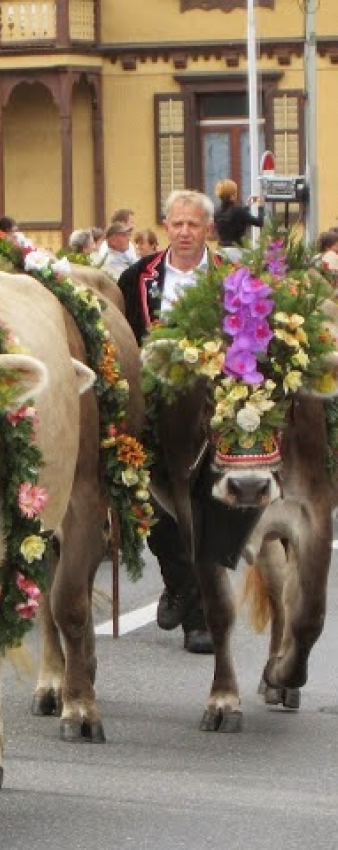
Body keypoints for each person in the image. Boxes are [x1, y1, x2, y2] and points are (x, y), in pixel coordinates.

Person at [117, 189, 217, 655]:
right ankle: (178, 583)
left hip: (213, 409)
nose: (183, 231)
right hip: (151, 406)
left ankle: (200, 618)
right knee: (154, 508)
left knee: (202, 510)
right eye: (176, 223)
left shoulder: (229, 278)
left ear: (207, 229)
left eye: (193, 224)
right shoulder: (137, 276)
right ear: (166, 225)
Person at [213, 178, 265, 258]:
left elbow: (233, 218)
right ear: (232, 195)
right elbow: (259, 222)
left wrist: (247, 206)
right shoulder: (238, 211)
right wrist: (261, 207)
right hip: (237, 252)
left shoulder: (216, 212)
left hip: (220, 251)